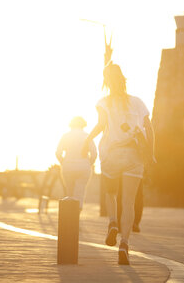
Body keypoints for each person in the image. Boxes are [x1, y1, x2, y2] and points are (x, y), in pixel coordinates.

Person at [83, 64, 155, 265]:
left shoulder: (104, 102)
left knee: (111, 194)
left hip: (112, 155)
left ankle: (112, 222)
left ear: (106, 81)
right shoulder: (138, 102)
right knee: (129, 202)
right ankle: (124, 242)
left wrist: (86, 140)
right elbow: (149, 129)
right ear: (123, 79)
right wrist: (152, 154)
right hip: (134, 156)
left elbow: (100, 125)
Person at [56, 116, 97, 210]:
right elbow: (94, 154)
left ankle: (69, 214)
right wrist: (88, 163)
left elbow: (58, 153)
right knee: (80, 192)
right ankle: (77, 213)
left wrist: (64, 162)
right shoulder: (87, 136)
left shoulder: (65, 136)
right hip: (83, 166)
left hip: (68, 166)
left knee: (69, 192)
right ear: (83, 124)